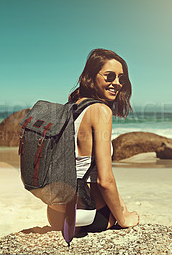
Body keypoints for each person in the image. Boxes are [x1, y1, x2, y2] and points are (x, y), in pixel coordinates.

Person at [46, 48, 139, 234]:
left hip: (55, 213)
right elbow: (105, 181)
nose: (117, 83)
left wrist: (123, 207)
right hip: (87, 215)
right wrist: (124, 218)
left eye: (121, 78)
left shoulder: (70, 108)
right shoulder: (101, 111)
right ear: (91, 76)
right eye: (109, 76)